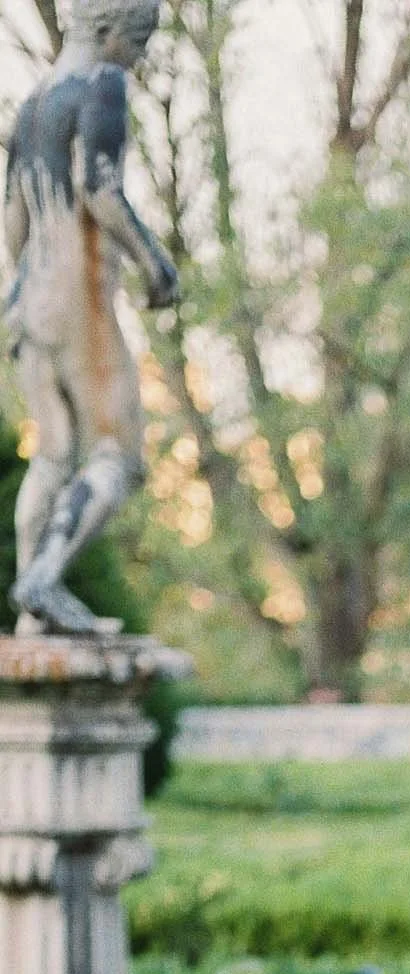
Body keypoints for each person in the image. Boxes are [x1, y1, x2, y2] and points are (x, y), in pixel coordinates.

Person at [3, 0, 179, 634]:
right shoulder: (101, 84)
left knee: (53, 455)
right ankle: (43, 580)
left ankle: (33, 616)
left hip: (28, 299)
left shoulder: (30, 106)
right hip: (77, 289)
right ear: (110, 32)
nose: (139, 56)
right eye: (139, 41)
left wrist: (30, 287)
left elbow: (12, 224)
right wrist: (155, 262)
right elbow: (99, 188)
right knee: (119, 453)